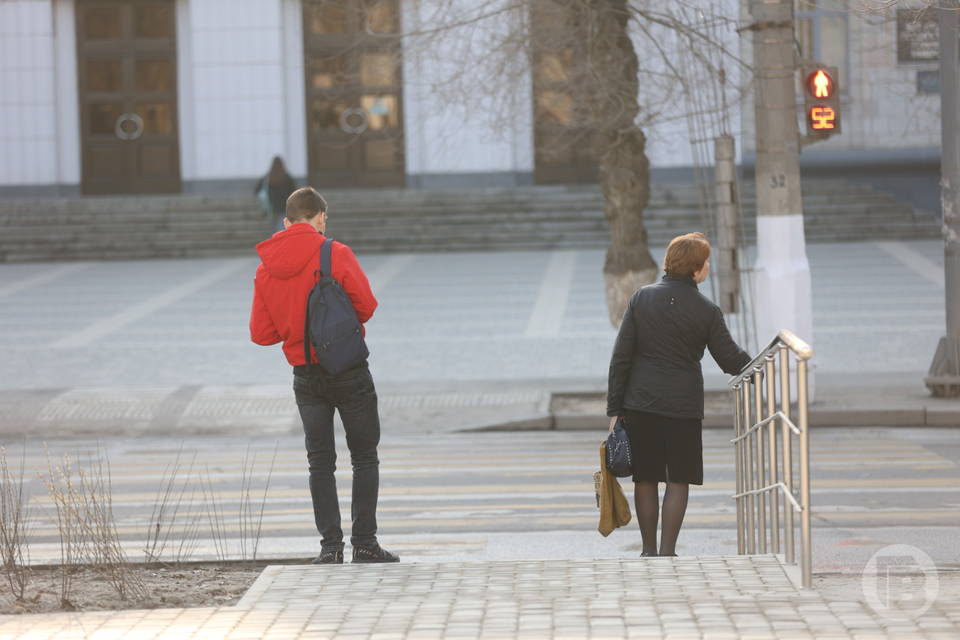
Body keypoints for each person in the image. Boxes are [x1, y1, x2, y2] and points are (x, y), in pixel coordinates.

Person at [249, 186, 398, 564]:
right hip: (348, 370)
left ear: (285, 222)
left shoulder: (265, 269)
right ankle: (364, 543)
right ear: (320, 218)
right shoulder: (336, 253)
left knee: (320, 461)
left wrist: (294, 325)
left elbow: (261, 334)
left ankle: (330, 548)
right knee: (364, 457)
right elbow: (366, 306)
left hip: (306, 376)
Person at [606, 232, 751, 557]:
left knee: (645, 478)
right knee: (677, 479)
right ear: (696, 269)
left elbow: (620, 358)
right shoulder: (706, 310)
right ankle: (668, 552)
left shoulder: (641, 299)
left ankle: (648, 551)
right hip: (682, 407)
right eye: (706, 262)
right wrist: (758, 365)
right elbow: (730, 359)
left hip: (640, 403)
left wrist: (615, 410)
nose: (708, 267)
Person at [255, 156, 297, 232]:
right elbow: (295, 192)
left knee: (274, 228)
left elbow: (257, 190)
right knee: (283, 227)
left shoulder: (268, 177)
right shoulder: (287, 177)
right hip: (285, 207)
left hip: (272, 207)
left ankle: (276, 241)